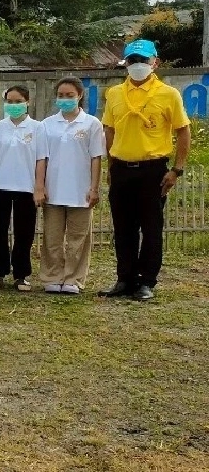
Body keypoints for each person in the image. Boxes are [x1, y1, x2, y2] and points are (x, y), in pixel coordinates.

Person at [99, 39, 191, 301]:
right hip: (122, 168)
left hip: (153, 170)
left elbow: (183, 132)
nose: (137, 65)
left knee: (151, 228)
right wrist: (110, 163)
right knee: (123, 227)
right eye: (132, 60)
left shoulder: (168, 93)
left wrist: (177, 169)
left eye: (143, 60)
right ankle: (124, 279)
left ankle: (147, 281)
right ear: (125, 63)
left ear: (155, 62)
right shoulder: (115, 93)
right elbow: (109, 129)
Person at [40, 78, 105, 295]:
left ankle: (73, 279)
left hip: (81, 191)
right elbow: (42, 159)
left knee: (78, 238)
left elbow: (96, 158)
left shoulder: (91, 124)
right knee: (52, 238)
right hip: (53, 190)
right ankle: (52, 277)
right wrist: (40, 186)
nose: (65, 99)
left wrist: (94, 188)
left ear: (79, 96)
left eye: (69, 95)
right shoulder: (47, 125)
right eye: (61, 95)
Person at [0, 86, 48, 291]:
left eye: (17, 101)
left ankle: (21, 275)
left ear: (27, 102)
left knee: (24, 233)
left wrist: (39, 187)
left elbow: (40, 160)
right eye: (9, 101)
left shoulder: (38, 128)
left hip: (26, 188)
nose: (13, 105)